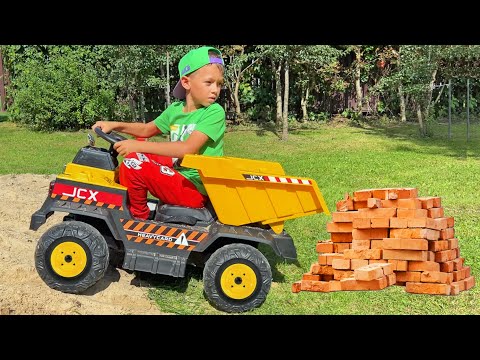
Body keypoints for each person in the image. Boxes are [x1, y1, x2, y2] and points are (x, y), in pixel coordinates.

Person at [91, 46, 226, 220]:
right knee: (137, 155)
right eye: (209, 83)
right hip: (180, 173)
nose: (215, 89)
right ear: (186, 83)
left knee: (134, 165)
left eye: (219, 83)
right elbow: (147, 130)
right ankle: (130, 205)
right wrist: (114, 125)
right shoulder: (176, 110)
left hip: (195, 187)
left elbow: (187, 149)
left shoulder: (214, 112)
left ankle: (137, 218)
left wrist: (136, 145)